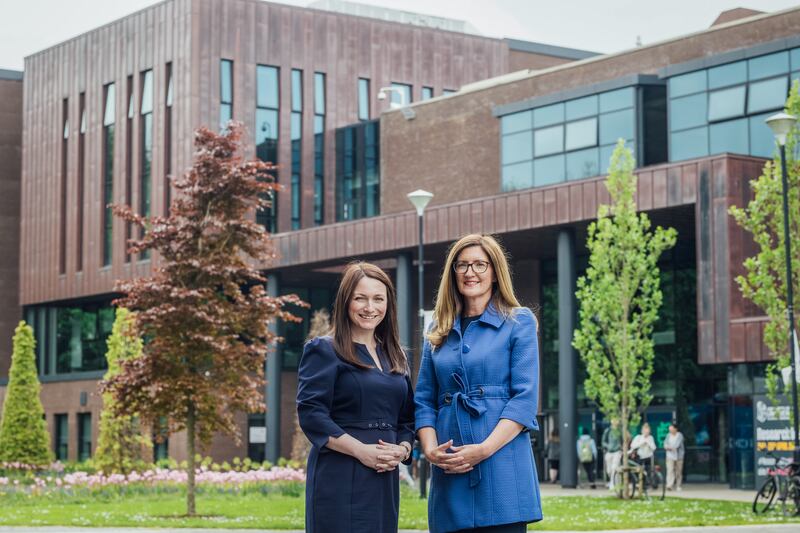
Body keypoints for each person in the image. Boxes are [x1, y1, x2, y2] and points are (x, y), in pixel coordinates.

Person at [415, 233, 542, 533]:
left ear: (495, 272)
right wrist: (431, 450)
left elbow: (524, 400)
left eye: (480, 265)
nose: (470, 272)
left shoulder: (518, 322)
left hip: (502, 465)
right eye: (462, 265)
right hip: (450, 465)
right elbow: (423, 399)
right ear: (453, 273)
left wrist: (483, 449)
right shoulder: (438, 329)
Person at [297, 262, 415, 533]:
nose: (369, 307)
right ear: (345, 301)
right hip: (339, 473)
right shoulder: (324, 349)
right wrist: (361, 451)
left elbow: (407, 420)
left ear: (388, 305)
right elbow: (312, 415)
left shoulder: (396, 356)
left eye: (378, 299)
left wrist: (403, 450)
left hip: (384, 477)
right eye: (360, 298)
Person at [663, 423, 685, 491]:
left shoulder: (679, 435)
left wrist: (669, 447)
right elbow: (665, 444)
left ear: (675, 429)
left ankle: (678, 485)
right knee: (670, 470)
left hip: (679, 456)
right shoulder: (668, 435)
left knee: (678, 471)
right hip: (670, 456)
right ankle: (669, 485)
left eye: (672, 429)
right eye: (669, 429)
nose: (670, 430)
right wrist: (668, 447)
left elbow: (677, 445)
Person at [601, 418, 622, 489]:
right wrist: (608, 446)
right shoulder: (608, 431)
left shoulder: (620, 431)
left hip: (617, 452)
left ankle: (613, 484)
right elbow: (603, 441)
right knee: (609, 470)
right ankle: (614, 481)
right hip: (609, 452)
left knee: (614, 468)